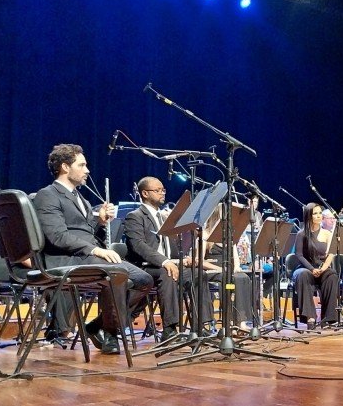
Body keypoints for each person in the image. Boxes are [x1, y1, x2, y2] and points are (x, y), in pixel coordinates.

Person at [33, 144, 153, 354]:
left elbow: (86, 231)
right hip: (65, 258)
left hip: (84, 256)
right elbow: (57, 236)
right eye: (82, 165)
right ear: (65, 167)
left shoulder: (81, 199)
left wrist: (101, 221)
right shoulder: (48, 195)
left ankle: (98, 326)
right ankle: (111, 335)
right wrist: (95, 250)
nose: (87, 170)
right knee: (117, 273)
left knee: (145, 280)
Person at [123, 176, 214, 341]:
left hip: (166, 264)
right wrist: (165, 262)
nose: (162, 193)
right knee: (167, 273)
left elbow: (170, 249)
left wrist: (182, 258)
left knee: (197, 273)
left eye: (163, 190)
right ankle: (170, 329)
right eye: (157, 190)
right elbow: (139, 246)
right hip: (145, 267)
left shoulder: (164, 218)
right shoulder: (135, 216)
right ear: (145, 193)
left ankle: (201, 326)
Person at [293, 203, 339, 329]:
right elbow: (299, 255)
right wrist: (312, 269)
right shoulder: (301, 234)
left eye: (320, 213)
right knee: (302, 275)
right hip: (305, 267)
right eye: (315, 213)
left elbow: (331, 253)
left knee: (332, 276)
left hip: (321, 268)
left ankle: (328, 318)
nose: (319, 216)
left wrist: (323, 268)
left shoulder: (327, 233)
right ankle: (310, 317)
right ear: (309, 216)